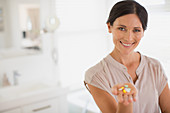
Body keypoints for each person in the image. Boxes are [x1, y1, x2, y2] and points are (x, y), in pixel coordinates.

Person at [84, 0, 170, 113]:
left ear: (143, 32)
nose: (129, 38)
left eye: (136, 30)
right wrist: (125, 102)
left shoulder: (155, 67)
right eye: (122, 28)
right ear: (109, 27)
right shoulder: (96, 75)